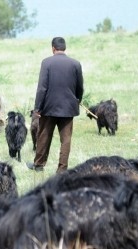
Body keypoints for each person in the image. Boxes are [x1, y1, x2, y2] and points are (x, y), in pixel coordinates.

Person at [27, 37, 84, 173]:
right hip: (68, 108)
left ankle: (39, 165)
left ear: (53, 48)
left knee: (43, 136)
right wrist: (77, 100)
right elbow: (80, 87)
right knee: (66, 140)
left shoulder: (46, 63)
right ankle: (62, 169)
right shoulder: (75, 64)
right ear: (65, 48)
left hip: (49, 108)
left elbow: (42, 88)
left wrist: (37, 108)